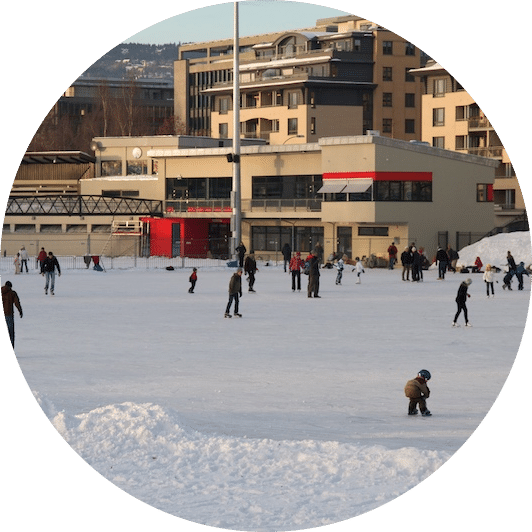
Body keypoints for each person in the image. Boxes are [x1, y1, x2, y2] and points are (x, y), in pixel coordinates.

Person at [1, 281, 23, 349]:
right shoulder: (12, 293)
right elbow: (17, 303)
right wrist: (20, 311)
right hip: (9, 315)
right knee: (11, 333)